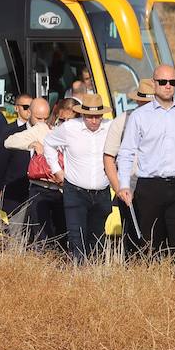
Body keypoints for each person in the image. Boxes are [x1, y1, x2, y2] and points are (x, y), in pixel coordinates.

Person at [115, 65, 175, 263]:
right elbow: (127, 152)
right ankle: (153, 289)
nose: (167, 86)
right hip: (150, 187)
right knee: (150, 245)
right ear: (154, 83)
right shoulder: (139, 115)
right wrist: (124, 185)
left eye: (172, 82)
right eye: (163, 82)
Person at [41, 92, 111, 261]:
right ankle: (78, 276)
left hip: (102, 192)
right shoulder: (69, 127)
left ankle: (94, 280)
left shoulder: (111, 127)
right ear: (82, 114)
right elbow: (49, 144)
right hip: (76, 192)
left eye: (97, 116)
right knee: (76, 238)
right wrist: (57, 170)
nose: (94, 121)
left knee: (97, 241)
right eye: (89, 116)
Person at [103, 80, 155, 254]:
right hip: (130, 188)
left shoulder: (166, 122)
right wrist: (119, 188)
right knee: (132, 239)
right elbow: (109, 158)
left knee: (155, 237)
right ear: (138, 101)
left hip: (158, 188)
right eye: (144, 102)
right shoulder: (121, 121)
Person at [4, 98, 63, 246]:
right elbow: (9, 142)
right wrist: (32, 144)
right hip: (38, 188)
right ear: (29, 113)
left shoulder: (57, 128)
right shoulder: (38, 130)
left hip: (61, 190)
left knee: (60, 233)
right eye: (38, 118)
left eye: (45, 117)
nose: (42, 121)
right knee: (40, 234)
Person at [0, 94, 34, 214]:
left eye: (32, 107)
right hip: (12, 190)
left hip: (33, 190)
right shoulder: (7, 131)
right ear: (16, 108)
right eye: (26, 107)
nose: (29, 110)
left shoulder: (40, 130)